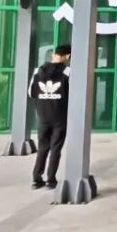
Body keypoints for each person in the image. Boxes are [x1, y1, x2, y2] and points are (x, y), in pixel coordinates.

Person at [28, 44, 71, 189]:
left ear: (53, 54)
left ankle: (36, 179)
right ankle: (51, 180)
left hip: (43, 116)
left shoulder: (38, 71)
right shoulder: (67, 72)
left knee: (42, 147)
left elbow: (31, 93)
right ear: (68, 56)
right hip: (60, 116)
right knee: (56, 148)